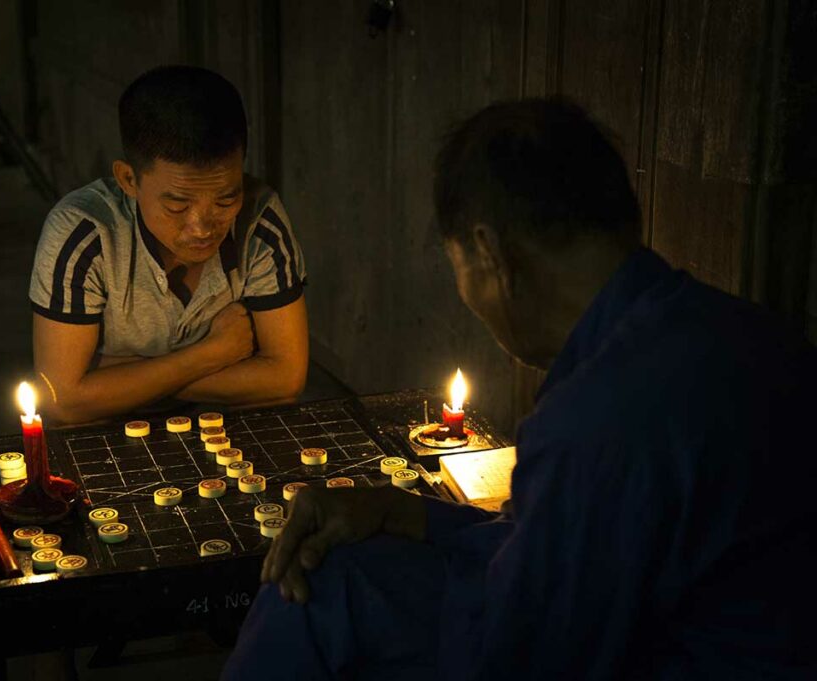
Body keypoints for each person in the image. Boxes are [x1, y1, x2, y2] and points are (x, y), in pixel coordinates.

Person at [223, 99, 817, 679]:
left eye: (457, 266)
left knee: (313, 596)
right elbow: (569, 547)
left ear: (490, 255)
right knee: (344, 577)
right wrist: (402, 511)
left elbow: (529, 649)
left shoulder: (597, 415)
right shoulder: (740, 330)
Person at [29, 66, 308, 423]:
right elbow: (62, 400)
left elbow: (285, 380)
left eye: (225, 200)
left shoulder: (259, 222)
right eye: (178, 204)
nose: (202, 227)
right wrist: (213, 353)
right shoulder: (84, 235)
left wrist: (123, 375)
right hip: (108, 432)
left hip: (224, 427)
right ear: (128, 179)